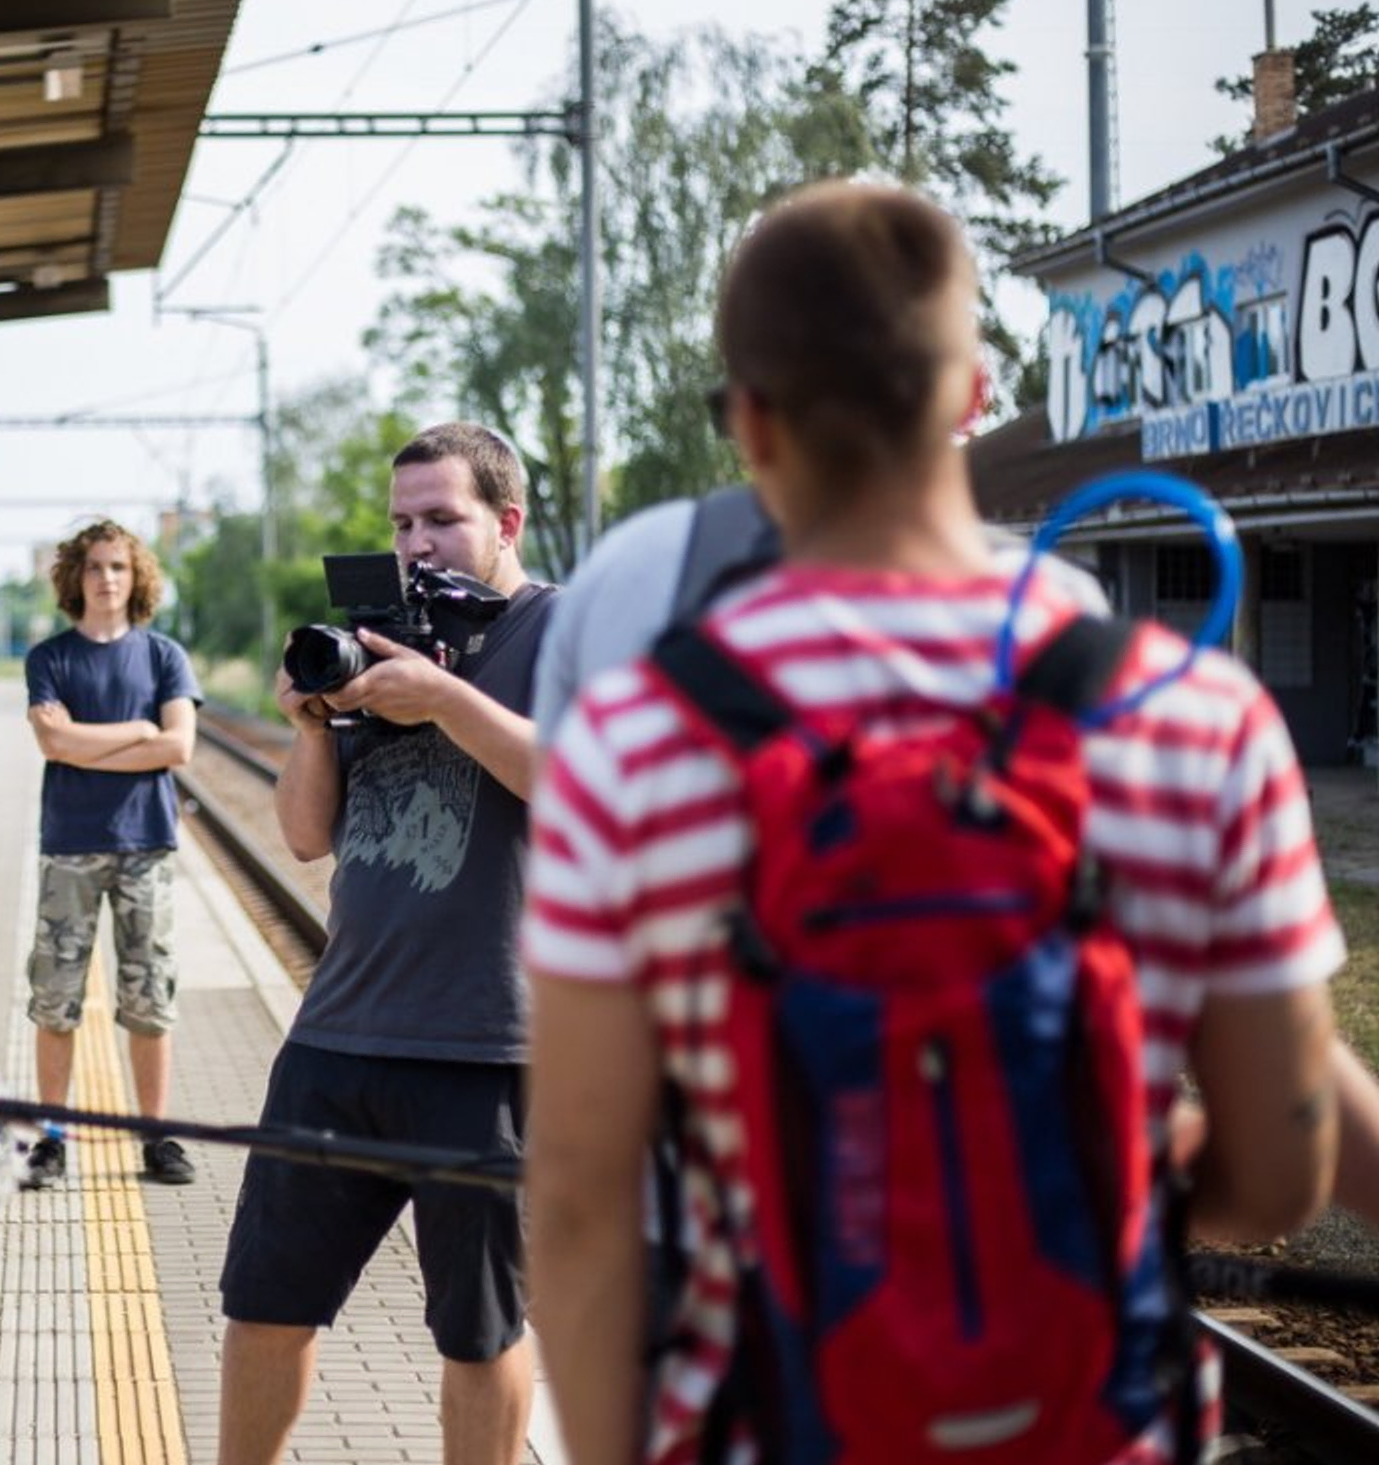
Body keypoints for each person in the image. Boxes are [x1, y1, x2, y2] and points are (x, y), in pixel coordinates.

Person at [521, 181, 1341, 1465]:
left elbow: (580, 1197)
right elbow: (1285, 1170)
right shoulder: (1196, 716)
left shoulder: (638, 745)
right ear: (973, 393)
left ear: (751, 422)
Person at [218, 421, 556, 1465]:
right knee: (265, 1302)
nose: (416, 543)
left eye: (442, 519)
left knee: (479, 1327)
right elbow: (305, 835)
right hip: (338, 1037)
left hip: (487, 1048)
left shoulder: (562, 629)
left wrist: (445, 699)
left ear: (505, 521)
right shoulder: (385, 636)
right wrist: (313, 727)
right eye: (403, 523)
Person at [19, 520, 202, 1190]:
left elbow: (178, 747)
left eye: (119, 566)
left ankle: (156, 1137)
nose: (106, 578)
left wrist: (84, 743)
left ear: (137, 576)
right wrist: (137, 732)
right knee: (55, 999)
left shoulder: (164, 656)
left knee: (149, 997)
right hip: (69, 846)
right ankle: (51, 1139)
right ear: (76, 576)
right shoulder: (50, 658)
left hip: (144, 845)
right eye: (95, 566)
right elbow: (52, 744)